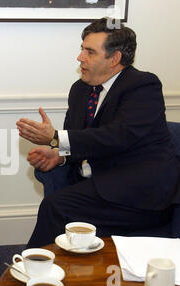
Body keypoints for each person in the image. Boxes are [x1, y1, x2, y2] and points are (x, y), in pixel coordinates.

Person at [16, 18, 180, 248]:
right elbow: (80, 138)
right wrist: (60, 155)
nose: (80, 57)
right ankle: (60, 273)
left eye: (90, 52)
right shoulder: (81, 89)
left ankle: (34, 273)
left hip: (140, 194)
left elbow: (117, 136)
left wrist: (54, 138)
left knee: (56, 206)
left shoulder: (143, 86)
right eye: (82, 49)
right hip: (100, 185)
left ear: (114, 59)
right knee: (62, 209)